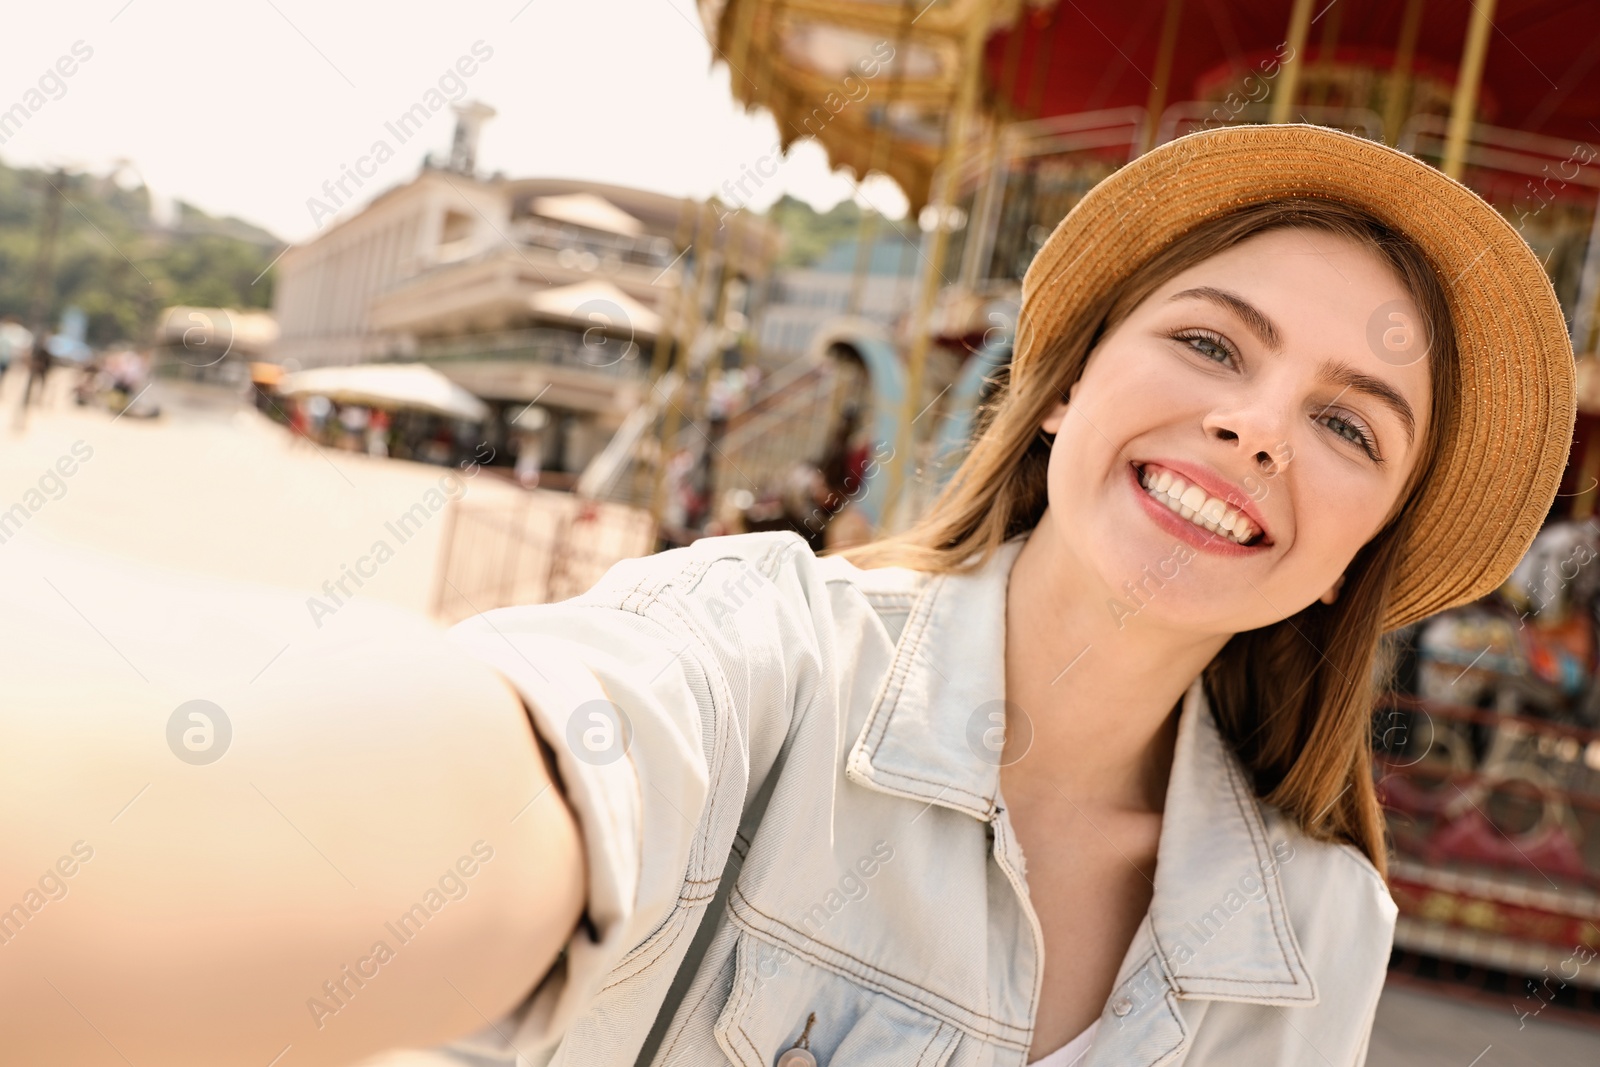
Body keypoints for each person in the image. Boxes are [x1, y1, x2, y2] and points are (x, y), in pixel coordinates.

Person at [2, 125, 1576, 1067]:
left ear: (1369, 541)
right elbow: (516, 772)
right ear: (1058, 389)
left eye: (1350, 423)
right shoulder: (759, 667)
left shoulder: (1319, 929)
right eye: (1213, 344)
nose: (1255, 426)